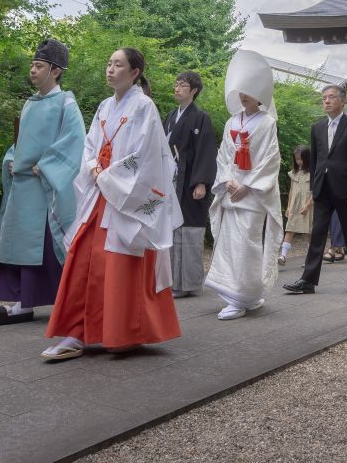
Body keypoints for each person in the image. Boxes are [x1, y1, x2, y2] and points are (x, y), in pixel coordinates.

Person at [41, 48, 182, 361]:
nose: (110, 69)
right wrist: (93, 167)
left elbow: (146, 156)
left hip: (124, 195)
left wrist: (108, 176)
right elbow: (90, 144)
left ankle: (122, 332)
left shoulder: (144, 106)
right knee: (82, 257)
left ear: (134, 73)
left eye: (118, 65)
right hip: (101, 191)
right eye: (108, 63)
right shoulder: (105, 106)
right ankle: (76, 332)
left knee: (117, 262)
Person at [0, 39, 86, 326]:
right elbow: (19, 144)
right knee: (17, 241)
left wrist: (44, 167)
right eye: (32, 64)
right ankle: (21, 301)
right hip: (22, 187)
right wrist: (11, 158)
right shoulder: (31, 103)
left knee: (43, 243)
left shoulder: (67, 103)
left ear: (55, 71)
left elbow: (75, 143)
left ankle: (41, 301)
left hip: (44, 189)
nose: (32, 70)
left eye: (38, 65)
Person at [205, 50, 284, 320]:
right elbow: (224, 155)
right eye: (240, 89)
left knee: (247, 244)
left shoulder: (267, 122)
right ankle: (236, 295)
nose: (243, 94)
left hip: (252, 194)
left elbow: (270, 159)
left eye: (248, 89)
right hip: (231, 188)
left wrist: (247, 186)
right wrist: (228, 180)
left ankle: (245, 296)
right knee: (228, 243)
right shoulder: (231, 122)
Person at [284, 84, 347, 294]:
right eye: (324, 98)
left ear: (342, 101)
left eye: (331, 97)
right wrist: (313, 187)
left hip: (346, 188)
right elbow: (316, 161)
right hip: (322, 187)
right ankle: (308, 281)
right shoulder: (317, 127)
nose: (327, 101)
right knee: (318, 233)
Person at [164, 71, 218, 298]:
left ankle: (189, 283)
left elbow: (206, 152)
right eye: (176, 84)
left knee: (190, 230)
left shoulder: (201, 117)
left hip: (190, 182)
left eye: (182, 85)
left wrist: (202, 183)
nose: (177, 88)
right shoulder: (170, 116)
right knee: (172, 230)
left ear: (193, 90)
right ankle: (174, 281)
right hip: (171, 180)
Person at [281, 145, 313, 266]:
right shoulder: (294, 173)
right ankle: (283, 256)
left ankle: (310, 258)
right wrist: (289, 206)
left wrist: (308, 205)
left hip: (307, 206)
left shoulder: (313, 173)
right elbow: (291, 190)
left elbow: (316, 191)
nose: (298, 161)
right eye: (297, 159)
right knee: (290, 229)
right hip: (295, 205)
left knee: (308, 232)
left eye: (301, 159)